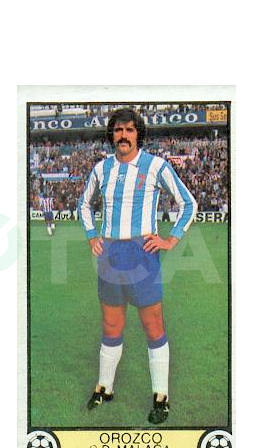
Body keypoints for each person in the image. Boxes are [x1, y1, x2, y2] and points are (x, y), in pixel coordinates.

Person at [78, 108, 197, 424]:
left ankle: (161, 397)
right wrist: (91, 235)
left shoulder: (156, 166)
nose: (123, 135)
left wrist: (171, 239)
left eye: (130, 130)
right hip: (110, 256)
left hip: (142, 254)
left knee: (153, 326)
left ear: (138, 134)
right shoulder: (101, 169)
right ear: (112, 135)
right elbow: (83, 204)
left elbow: (188, 203)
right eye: (118, 130)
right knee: (111, 326)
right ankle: (104, 388)